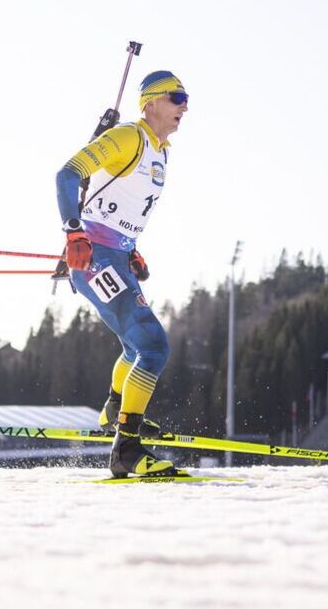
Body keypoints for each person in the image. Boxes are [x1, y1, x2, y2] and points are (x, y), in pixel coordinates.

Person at [54, 70, 190, 479]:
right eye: (176, 97)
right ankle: (126, 449)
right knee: (153, 345)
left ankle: (117, 410)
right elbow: (67, 175)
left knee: (135, 349)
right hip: (94, 258)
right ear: (150, 102)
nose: (184, 105)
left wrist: (131, 250)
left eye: (186, 98)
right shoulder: (129, 137)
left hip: (115, 255)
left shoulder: (160, 152)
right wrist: (73, 230)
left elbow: (118, 208)